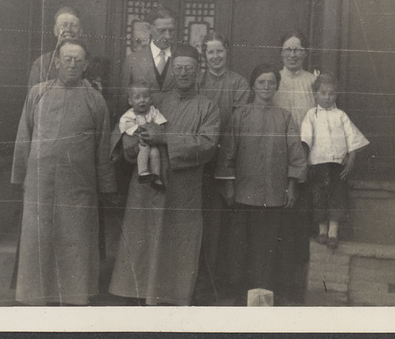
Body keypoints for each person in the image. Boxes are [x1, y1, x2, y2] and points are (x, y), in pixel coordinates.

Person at [109, 43, 221, 306]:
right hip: (148, 186)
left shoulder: (208, 107)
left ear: (198, 71)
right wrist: (133, 143)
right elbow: (127, 131)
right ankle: (137, 295)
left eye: (189, 68)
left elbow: (207, 145)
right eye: (178, 68)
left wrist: (165, 138)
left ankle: (171, 297)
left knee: (178, 241)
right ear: (172, 69)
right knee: (143, 238)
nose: (183, 73)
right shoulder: (154, 100)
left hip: (184, 188)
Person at [11, 40, 117, 305]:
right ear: (57, 62)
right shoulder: (38, 93)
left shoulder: (95, 99)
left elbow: (103, 146)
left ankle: (74, 296)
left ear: (85, 66)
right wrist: (20, 176)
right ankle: (34, 295)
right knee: (39, 239)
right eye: (67, 59)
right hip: (40, 182)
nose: (72, 64)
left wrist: (106, 186)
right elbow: (24, 136)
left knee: (75, 239)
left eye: (77, 61)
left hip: (78, 186)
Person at [215, 63, 307, 305]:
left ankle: (264, 296)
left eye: (271, 83)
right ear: (253, 86)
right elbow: (227, 154)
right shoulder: (241, 115)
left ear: (276, 87)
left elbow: (296, 155)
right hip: (243, 194)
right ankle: (237, 294)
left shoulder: (284, 117)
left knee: (267, 248)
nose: (266, 87)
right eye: (261, 82)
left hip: (274, 195)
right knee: (238, 246)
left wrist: (292, 186)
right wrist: (229, 187)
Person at [194, 31, 250, 304]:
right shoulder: (197, 80)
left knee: (223, 226)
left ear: (227, 52)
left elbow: (237, 125)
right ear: (204, 56)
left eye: (220, 51)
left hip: (226, 161)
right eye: (210, 52)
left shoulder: (238, 83)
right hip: (197, 162)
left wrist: (225, 162)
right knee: (199, 224)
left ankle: (221, 284)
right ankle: (198, 281)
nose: (215, 57)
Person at [272, 29, 317, 305]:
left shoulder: (313, 82)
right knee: (277, 221)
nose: (292, 54)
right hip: (275, 159)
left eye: (297, 49)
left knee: (299, 221)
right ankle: (276, 280)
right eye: (287, 49)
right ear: (281, 53)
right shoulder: (273, 81)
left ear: (305, 53)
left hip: (305, 157)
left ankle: (295, 284)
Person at [301, 72, 369, 249]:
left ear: (336, 95)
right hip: (317, 165)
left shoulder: (341, 115)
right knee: (319, 197)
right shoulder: (311, 115)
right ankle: (322, 231)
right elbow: (306, 139)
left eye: (331, 93)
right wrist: (303, 160)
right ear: (315, 94)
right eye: (323, 93)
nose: (327, 97)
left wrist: (351, 159)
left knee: (337, 197)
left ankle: (333, 232)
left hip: (337, 165)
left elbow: (352, 138)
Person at [28, 6, 106, 92]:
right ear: (55, 31)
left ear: (80, 31)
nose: (68, 29)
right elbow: (34, 99)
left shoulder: (91, 64)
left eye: (73, 26)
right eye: (63, 25)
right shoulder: (42, 64)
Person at [119, 6, 178, 112]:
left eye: (171, 31)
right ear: (149, 28)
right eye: (162, 31)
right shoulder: (133, 60)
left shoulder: (182, 57)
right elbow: (124, 100)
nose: (168, 36)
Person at [119, 81, 167, 188]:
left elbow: (160, 122)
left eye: (145, 97)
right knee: (144, 149)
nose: (142, 100)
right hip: (139, 140)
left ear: (150, 99)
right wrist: (137, 128)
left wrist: (160, 128)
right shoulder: (130, 115)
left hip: (152, 141)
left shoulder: (153, 111)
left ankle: (155, 176)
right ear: (130, 101)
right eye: (137, 98)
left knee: (155, 153)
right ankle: (143, 172)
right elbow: (125, 126)